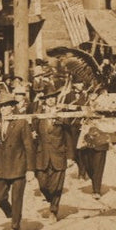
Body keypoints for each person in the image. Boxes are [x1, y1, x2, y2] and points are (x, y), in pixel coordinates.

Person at [0, 91, 36, 230]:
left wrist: (30, 169)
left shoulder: (21, 122)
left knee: (16, 198)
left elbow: (29, 146)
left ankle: (15, 227)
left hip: (18, 165)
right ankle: (11, 214)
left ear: (12, 107)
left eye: (6, 106)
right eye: (1, 106)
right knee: (0, 198)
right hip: (1, 166)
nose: (2, 109)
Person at [33, 93, 73, 221]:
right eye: (48, 98)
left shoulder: (62, 114)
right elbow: (33, 130)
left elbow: (68, 136)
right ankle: (50, 198)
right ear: (44, 100)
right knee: (43, 184)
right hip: (42, 154)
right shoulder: (38, 114)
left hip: (58, 154)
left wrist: (70, 156)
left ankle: (53, 211)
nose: (50, 100)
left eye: (53, 98)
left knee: (57, 185)